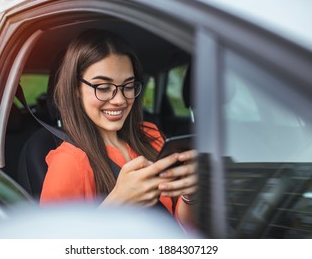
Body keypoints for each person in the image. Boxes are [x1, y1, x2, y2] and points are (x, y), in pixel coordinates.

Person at [40, 29, 198, 229]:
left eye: (128, 86)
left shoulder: (150, 135)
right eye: (103, 87)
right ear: (76, 90)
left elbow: (182, 230)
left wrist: (189, 194)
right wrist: (117, 203)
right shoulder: (69, 162)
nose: (120, 100)